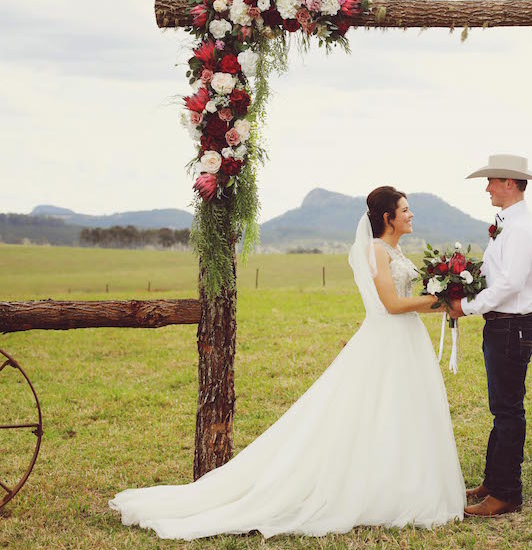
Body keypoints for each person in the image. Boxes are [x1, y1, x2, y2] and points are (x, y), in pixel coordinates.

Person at [110, 186, 465, 540]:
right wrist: (437, 301)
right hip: (388, 339)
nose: (411, 214)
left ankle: (401, 481)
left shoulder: (394, 250)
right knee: (371, 411)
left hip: (405, 340)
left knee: (399, 412)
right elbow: (390, 303)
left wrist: (440, 296)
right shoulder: (376, 250)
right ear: (388, 218)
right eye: (405, 209)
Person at [449, 154, 532, 517]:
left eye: (491, 181)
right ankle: (494, 480)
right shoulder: (507, 224)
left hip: (512, 324)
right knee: (501, 407)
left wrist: (466, 306)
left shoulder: (521, 228)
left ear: (509, 183)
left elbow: (508, 285)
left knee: (507, 409)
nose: (486, 188)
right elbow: (495, 276)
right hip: (503, 323)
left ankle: (507, 493)